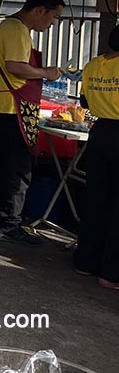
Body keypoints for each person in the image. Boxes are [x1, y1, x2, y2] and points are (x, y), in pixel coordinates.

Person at [0, 0, 65, 246]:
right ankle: (9, 224)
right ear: (39, 10)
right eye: (52, 17)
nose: (51, 23)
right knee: (18, 169)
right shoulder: (16, 29)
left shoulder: (8, 27)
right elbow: (14, 66)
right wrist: (46, 73)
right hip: (9, 108)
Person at [74, 25, 119, 289]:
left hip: (100, 134)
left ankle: (85, 262)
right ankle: (111, 274)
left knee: (95, 198)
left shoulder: (93, 65)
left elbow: (85, 103)